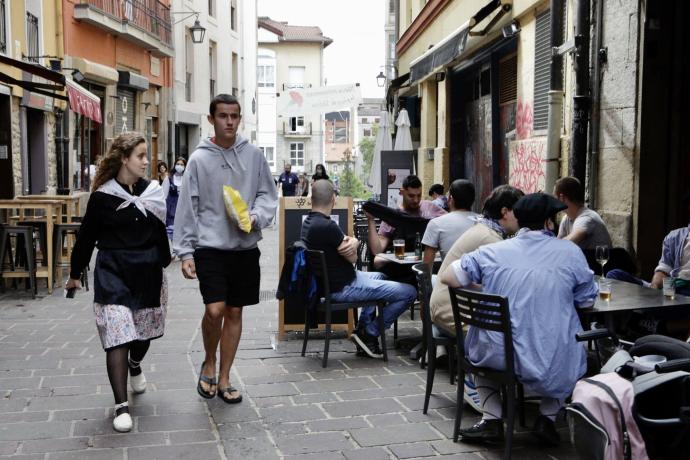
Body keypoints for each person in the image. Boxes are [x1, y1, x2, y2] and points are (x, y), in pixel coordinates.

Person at [440, 192, 598, 446]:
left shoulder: (491, 252)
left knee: (479, 345)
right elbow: (587, 302)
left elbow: (448, 277)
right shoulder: (570, 252)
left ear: (519, 220)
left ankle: (492, 420)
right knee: (575, 353)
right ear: (549, 222)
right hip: (550, 356)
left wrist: (487, 290)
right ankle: (547, 418)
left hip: (496, 353)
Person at [173, 94, 277, 404]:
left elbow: (266, 195)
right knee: (214, 309)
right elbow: (187, 206)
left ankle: (225, 376)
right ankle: (209, 359)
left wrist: (255, 216)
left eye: (234, 116)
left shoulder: (254, 155)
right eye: (223, 116)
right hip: (210, 246)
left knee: (234, 311)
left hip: (244, 247)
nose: (229, 121)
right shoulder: (199, 159)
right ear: (211, 119)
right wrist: (186, 251)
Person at [66, 132, 171, 433]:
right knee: (118, 335)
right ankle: (121, 405)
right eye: (140, 156)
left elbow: (160, 231)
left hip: (147, 272)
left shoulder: (152, 191)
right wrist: (75, 274)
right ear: (124, 158)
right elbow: (86, 238)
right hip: (112, 272)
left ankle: (135, 364)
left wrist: (166, 260)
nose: (146, 161)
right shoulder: (102, 197)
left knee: (142, 335)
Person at [429, 184, 523, 413]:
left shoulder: (485, 230)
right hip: (453, 307)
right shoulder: (491, 239)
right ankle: (481, 388)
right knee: (507, 337)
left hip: (449, 302)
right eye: (519, 213)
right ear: (505, 212)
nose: (523, 220)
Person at [302, 179, 417, 358]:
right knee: (409, 292)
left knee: (380, 276)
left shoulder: (308, 224)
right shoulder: (328, 226)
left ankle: (362, 332)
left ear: (311, 199)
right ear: (334, 199)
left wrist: (352, 241)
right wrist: (353, 242)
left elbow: (346, 245)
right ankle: (369, 333)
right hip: (343, 287)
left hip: (332, 284)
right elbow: (354, 258)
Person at [366, 175, 446, 283]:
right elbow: (377, 250)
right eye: (411, 196)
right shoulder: (393, 216)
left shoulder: (429, 207)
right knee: (378, 261)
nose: (416, 200)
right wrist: (371, 220)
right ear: (402, 192)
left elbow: (450, 221)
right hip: (403, 265)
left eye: (419, 195)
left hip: (429, 260)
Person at [422, 179, 478, 267]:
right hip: (481, 280)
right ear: (473, 199)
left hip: (449, 279)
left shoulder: (436, 223)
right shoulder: (485, 222)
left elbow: (426, 267)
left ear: (450, 198)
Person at [554, 176, 612, 250]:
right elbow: (558, 245)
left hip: (598, 261)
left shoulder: (587, 217)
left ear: (562, 198)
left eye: (555, 197)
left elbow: (569, 242)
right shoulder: (567, 218)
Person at [162, 157, 186, 242]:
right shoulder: (169, 178)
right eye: (178, 164)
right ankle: (173, 250)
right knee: (172, 230)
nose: (179, 166)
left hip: (183, 207)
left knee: (182, 230)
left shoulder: (187, 178)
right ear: (175, 165)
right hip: (171, 208)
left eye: (182, 164)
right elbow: (164, 195)